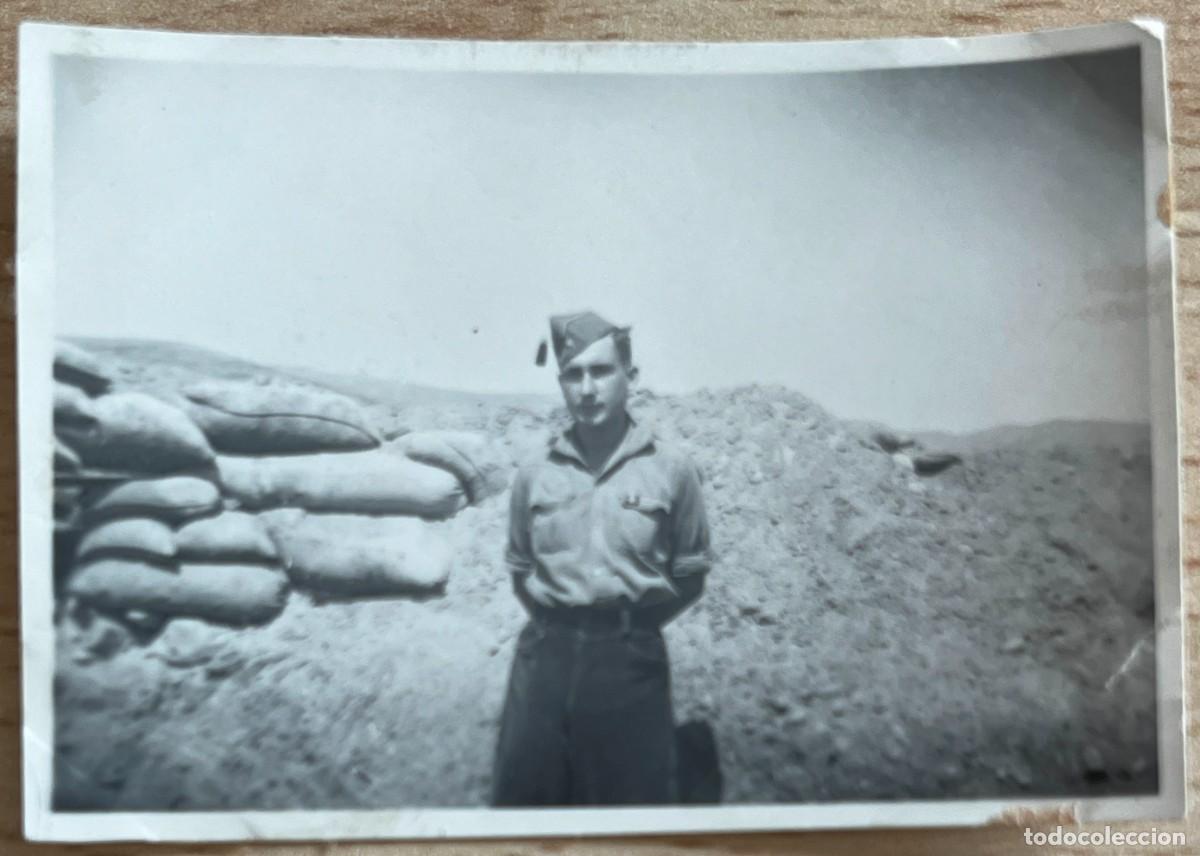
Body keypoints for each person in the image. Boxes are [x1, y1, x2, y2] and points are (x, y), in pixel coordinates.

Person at [491, 310, 713, 807]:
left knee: (630, 813)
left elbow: (691, 575)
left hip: (630, 663)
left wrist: (628, 626)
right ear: (561, 383)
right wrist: (564, 623)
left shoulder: (672, 471)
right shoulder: (534, 473)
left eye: (601, 371)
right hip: (545, 658)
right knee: (526, 808)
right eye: (574, 374)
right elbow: (521, 571)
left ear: (629, 378)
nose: (587, 388)